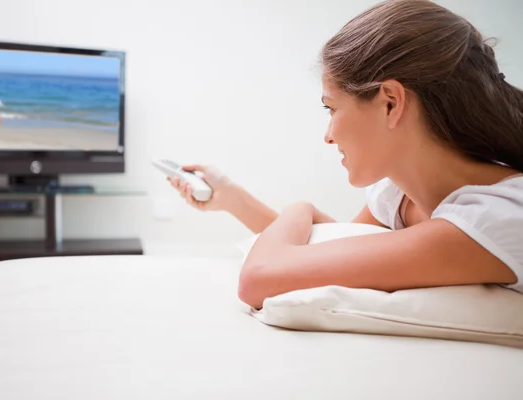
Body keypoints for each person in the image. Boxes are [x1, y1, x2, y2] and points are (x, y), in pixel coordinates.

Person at [167, 0, 523, 310]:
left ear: (390, 103)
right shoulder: (399, 195)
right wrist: (232, 198)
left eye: (331, 109)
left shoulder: (495, 219)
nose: (328, 135)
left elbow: (261, 278)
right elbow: (329, 252)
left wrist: (299, 209)